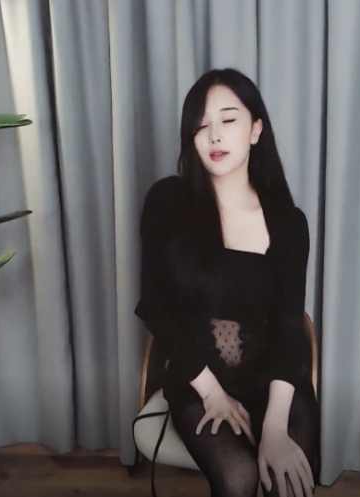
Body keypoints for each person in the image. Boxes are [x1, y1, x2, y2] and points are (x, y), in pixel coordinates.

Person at [135, 68, 320, 497]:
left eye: (228, 119)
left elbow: (289, 328)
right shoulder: (168, 202)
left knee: (286, 480)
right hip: (198, 376)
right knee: (239, 478)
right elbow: (158, 309)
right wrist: (212, 393)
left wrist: (274, 426)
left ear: (255, 129)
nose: (214, 135)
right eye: (201, 125)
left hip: (276, 379)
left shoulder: (289, 223)